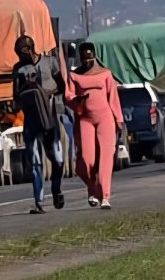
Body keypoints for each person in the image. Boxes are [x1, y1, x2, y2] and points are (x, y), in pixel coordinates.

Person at [11, 34, 69, 214]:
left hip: (50, 117)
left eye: (22, 52)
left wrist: (45, 92)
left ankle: (56, 188)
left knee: (58, 160)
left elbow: (62, 86)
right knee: (35, 162)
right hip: (31, 120)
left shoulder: (49, 63)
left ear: (30, 49)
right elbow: (15, 96)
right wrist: (26, 90)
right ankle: (39, 201)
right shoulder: (18, 69)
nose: (21, 57)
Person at [69, 42, 124, 210]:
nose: (88, 61)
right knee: (86, 158)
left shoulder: (105, 74)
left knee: (105, 157)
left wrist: (118, 119)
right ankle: (91, 188)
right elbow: (68, 95)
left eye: (90, 57)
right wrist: (77, 100)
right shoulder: (74, 76)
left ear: (94, 56)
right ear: (80, 58)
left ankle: (105, 195)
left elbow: (113, 97)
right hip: (84, 119)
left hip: (105, 118)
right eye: (84, 59)